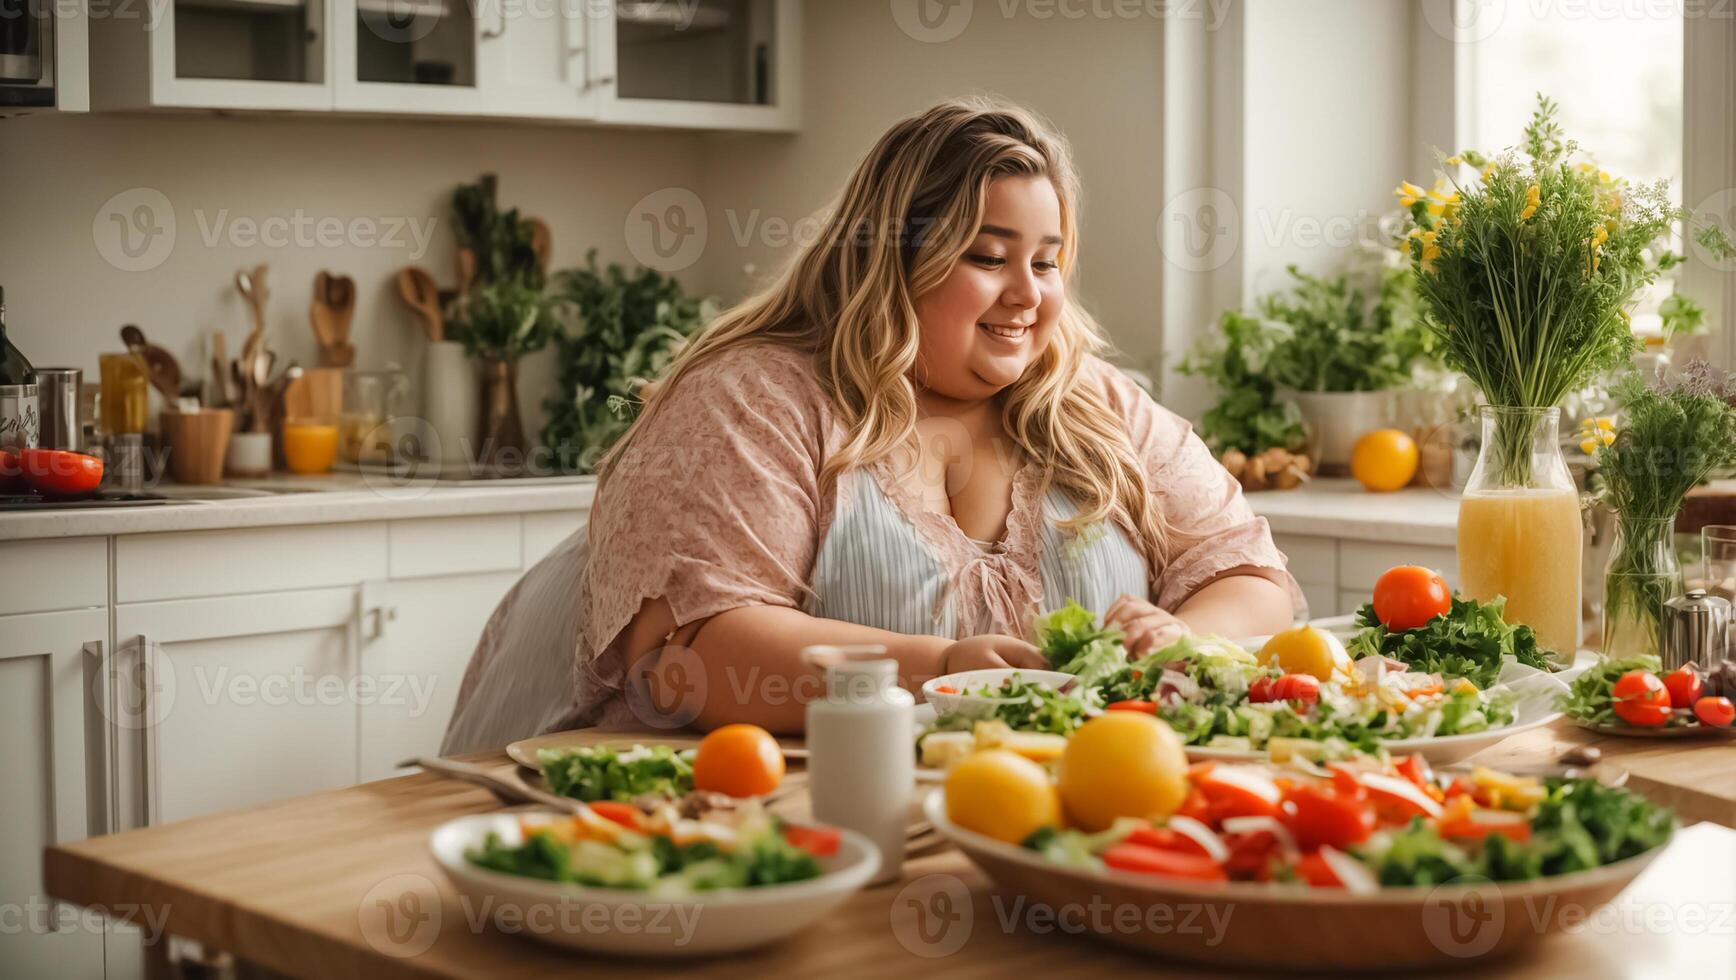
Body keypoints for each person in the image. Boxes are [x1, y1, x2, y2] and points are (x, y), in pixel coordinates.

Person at [442, 97, 1299, 752]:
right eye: (988, 257)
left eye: (1047, 262)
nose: (1029, 295)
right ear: (893, 257)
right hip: (753, 827)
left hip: (1044, 823)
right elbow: (697, 655)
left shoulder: (1096, 405)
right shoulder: (754, 401)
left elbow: (1254, 579)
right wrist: (937, 673)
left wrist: (1185, 637)